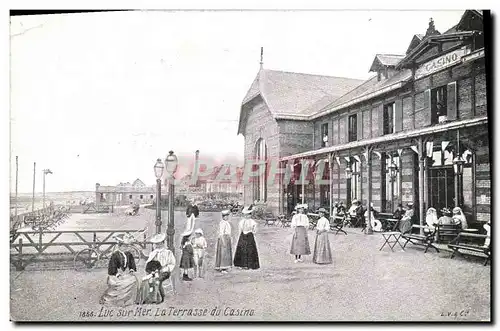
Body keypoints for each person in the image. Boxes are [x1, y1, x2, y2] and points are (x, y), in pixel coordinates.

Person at [99, 234, 139, 306]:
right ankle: (116, 300)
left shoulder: (129, 254)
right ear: (119, 246)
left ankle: (128, 299)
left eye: (126, 246)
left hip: (125, 273)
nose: (125, 248)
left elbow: (132, 263)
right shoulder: (115, 255)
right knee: (119, 283)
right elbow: (112, 266)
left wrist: (131, 270)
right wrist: (117, 274)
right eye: (124, 246)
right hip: (115, 274)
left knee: (134, 279)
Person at [137, 233, 176, 304]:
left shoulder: (168, 252)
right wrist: (150, 272)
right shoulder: (153, 253)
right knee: (146, 280)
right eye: (156, 244)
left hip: (164, 271)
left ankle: (160, 297)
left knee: (157, 280)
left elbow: (172, 264)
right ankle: (147, 297)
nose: (158, 245)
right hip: (153, 272)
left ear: (163, 243)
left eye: (159, 243)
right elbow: (149, 262)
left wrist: (164, 269)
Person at [233, 205, 260, 269]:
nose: (247, 216)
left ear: (250, 215)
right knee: (242, 249)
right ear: (244, 215)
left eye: (248, 215)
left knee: (250, 249)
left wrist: (252, 232)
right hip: (243, 236)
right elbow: (240, 229)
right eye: (246, 215)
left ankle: (250, 264)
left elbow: (255, 230)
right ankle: (241, 264)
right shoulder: (241, 222)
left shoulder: (253, 222)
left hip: (250, 236)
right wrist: (241, 234)